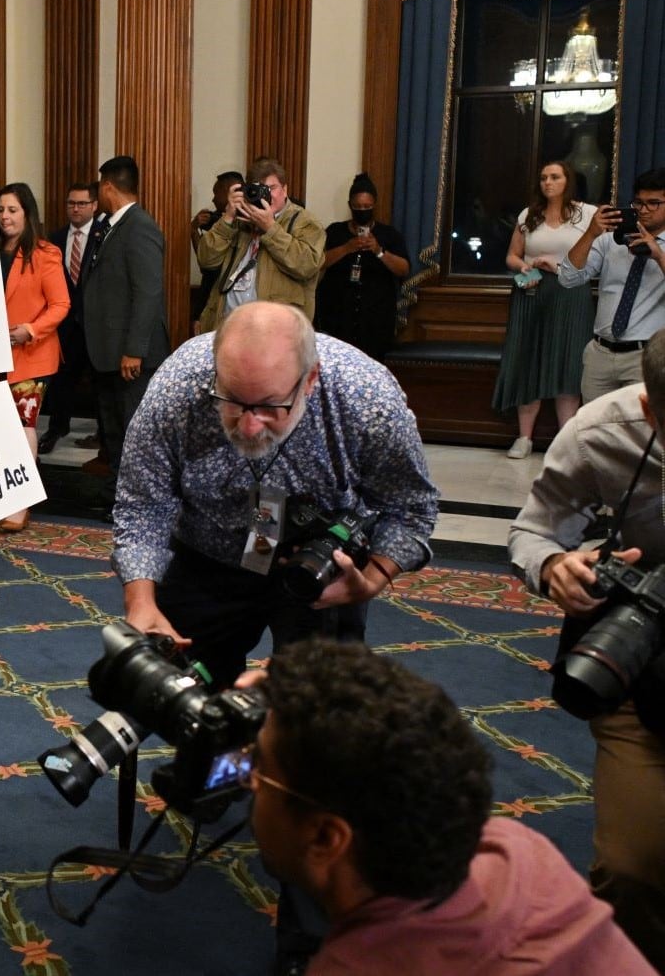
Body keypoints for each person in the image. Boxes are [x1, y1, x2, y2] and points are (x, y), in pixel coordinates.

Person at [240, 640, 651, 975]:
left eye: (257, 765)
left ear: (327, 837)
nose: (246, 773)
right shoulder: (518, 849)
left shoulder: (358, 966)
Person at [114, 301, 437, 690]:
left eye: (270, 406)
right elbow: (143, 504)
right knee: (184, 694)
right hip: (209, 553)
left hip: (316, 573)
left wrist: (371, 580)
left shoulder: (364, 398)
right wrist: (140, 599)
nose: (249, 427)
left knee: (315, 710)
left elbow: (410, 508)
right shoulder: (179, 387)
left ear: (310, 379)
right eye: (232, 400)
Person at [508, 329, 665, 968]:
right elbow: (532, 529)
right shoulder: (603, 432)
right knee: (632, 871)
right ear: (652, 408)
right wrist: (552, 568)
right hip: (643, 658)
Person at [491, 161, 597, 458]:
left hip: (570, 293)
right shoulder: (529, 215)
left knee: (568, 361)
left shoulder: (586, 214)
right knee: (528, 359)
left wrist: (561, 266)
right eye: (543, 178)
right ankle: (524, 438)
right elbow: (512, 256)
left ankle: (566, 442)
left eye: (554, 177)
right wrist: (525, 265)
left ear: (568, 181)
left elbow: (598, 258)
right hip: (531, 290)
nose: (547, 182)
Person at [79, 155, 167, 482]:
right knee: (114, 433)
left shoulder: (140, 227)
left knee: (134, 435)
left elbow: (148, 292)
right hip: (109, 354)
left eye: (98, 188)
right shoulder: (112, 225)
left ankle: (136, 502)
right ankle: (117, 498)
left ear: (107, 185)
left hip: (130, 358)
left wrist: (135, 349)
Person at [0, 183, 70, 532]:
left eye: (12, 210)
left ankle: (21, 502)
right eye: (0, 210)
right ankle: (1, 497)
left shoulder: (45, 252)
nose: (5, 217)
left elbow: (61, 305)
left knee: (23, 425)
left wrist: (32, 330)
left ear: (27, 213)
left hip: (31, 355)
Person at [558, 166, 665, 404]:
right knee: (594, 430)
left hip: (646, 356)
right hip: (600, 353)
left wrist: (658, 255)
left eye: (653, 203)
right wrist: (591, 233)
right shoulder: (610, 240)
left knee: (640, 432)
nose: (643, 210)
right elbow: (567, 278)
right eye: (638, 203)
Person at [196, 158, 325, 333]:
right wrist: (227, 217)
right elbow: (206, 260)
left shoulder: (305, 222)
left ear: (285, 189)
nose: (265, 195)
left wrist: (270, 228)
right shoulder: (239, 220)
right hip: (228, 330)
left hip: (276, 336)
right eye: (257, 189)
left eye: (271, 188)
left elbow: (307, 265)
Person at [40, 181, 109, 455]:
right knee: (62, 379)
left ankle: (103, 435)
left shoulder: (105, 235)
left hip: (95, 324)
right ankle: (57, 427)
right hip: (64, 324)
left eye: (82, 203)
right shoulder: (54, 239)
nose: (76, 208)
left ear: (94, 205)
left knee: (101, 381)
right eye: (71, 203)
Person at [314, 173, 410, 362]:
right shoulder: (334, 232)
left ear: (374, 205)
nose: (362, 211)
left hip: (375, 319)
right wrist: (346, 248)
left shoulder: (389, 234)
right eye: (358, 207)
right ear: (350, 205)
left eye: (367, 207)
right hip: (338, 316)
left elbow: (404, 269)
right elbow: (317, 262)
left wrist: (378, 251)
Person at [190, 170, 245, 324]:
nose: (213, 199)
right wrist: (194, 230)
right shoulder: (214, 220)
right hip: (209, 294)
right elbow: (205, 262)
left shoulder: (248, 223)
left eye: (216, 193)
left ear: (231, 192)